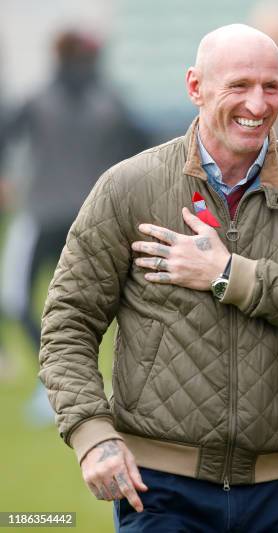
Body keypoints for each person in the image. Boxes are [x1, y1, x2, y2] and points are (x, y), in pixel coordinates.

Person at [39, 24, 278, 532]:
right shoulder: (128, 186)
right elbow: (67, 322)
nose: (258, 103)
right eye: (239, 85)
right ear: (195, 87)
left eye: (271, 87)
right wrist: (93, 434)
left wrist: (230, 275)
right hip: (158, 493)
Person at [0, 31, 149, 424]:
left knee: (18, 297)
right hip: (92, 215)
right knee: (112, 306)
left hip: (42, 214)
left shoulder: (38, 99)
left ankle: (49, 382)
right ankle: (113, 387)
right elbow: (144, 144)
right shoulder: (111, 101)